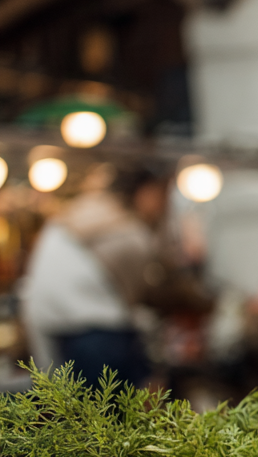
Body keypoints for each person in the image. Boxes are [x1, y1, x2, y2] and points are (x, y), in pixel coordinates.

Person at [22, 162, 209, 387]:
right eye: (164, 195)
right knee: (114, 412)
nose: (164, 206)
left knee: (80, 410)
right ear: (147, 192)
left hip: (51, 327)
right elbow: (146, 292)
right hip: (93, 335)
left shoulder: (87, 208)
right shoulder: (129, 234)